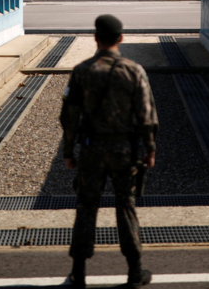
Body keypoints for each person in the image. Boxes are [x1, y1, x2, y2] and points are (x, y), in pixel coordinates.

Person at [60, 15, 158, 289]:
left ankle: (78, 272)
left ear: (95, 38)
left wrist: (69, 151)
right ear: (121, 38)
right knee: (126, 205)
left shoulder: (82, 71)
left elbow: (69, 115)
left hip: (91, 149)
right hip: (124, 150)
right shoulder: (133, 70)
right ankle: (135, 270)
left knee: (86, 207)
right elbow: (146, 114)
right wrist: (150, 149)